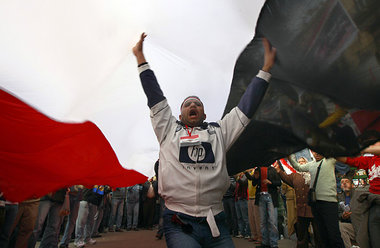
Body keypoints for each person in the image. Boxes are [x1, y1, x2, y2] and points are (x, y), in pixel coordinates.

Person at [132, 32, 276, 248]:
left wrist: (265, 71)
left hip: (216, 222)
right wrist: (140, 57)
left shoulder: (219, 132)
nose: (193, 106)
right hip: (179, 222)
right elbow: (155, 96)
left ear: (205, 114)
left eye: (197, 104)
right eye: (187, 104)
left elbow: (246, 108)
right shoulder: (168, 130)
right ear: (179, 115)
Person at [288, 151, 344, 248]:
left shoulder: (330, 160)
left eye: (318, 150)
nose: (316, 153)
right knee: (322, 235)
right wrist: (290, 156)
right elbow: (298, 167)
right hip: (315, 203)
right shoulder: (312, 165)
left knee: (333, 235)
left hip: (329, 203)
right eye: (314, 151)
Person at [273, 160, 322, 248]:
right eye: (299, 162)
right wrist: (279, 170)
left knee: (319, 234)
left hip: (314, 209)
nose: (301, 162)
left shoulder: (314, 173)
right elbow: (285, 178)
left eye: (303, 161)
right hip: (301, 210)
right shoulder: (295, 175)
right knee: (301, 236)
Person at [246, 165, 281, 248]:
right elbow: (254, 183)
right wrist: (255, 176)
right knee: (262, 221)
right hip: (261, 197)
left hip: (271, 196)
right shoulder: (257, 170)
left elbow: (279, 183)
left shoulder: (272, 169)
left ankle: (274, 244)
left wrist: (270, 182)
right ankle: (265, 243)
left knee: (272, 221)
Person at [337, 177, 357, 248]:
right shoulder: (339, 197)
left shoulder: (357, 195)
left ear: (352, 185)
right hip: (347, 224)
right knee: (339, 225)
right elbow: (338, 213)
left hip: (358, 225)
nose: (344, 183)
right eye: (342, 182)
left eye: (347, 181)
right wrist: (343, 216)